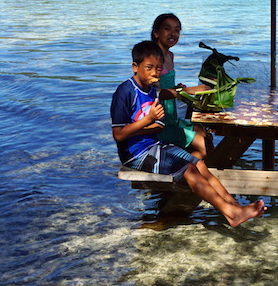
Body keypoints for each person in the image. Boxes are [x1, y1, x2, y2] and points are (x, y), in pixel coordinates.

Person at [112, 40, 266, 227]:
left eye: (158, 68)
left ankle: (235, 207)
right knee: (188, 169)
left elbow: (158, 126)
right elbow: (119, 134)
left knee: (199, 164)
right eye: (149, 67)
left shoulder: (153, 91)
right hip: (136, 154)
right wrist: (148, 120)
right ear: (135, 67)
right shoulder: (125, 92)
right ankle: (231, 213)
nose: (154, 73)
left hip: (154, 146)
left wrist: (154, 122)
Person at [150, 13, 211, 158]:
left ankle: (189, 168)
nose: (173, 34)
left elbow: (165, 85)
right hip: (159, 122)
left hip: (171, 118)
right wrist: (186, 91)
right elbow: (154, 93)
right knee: (204, 146)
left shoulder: (169, 55)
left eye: (177, 30)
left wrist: (178, 88)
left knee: (203, 132)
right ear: (156, 33)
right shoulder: (153, 58)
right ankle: (181, 171)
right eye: (167, 29)